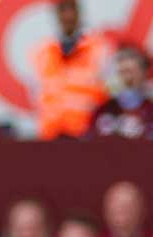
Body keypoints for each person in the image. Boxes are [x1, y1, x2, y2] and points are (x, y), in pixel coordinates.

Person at [30, 0, 112, 140]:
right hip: (51, 134)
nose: (67, 16)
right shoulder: (43, 51)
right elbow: (36, 93)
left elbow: (109, 90)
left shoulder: (98, 48)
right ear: (56, 15)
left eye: (71, 10)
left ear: (79, 13)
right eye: (62, 10)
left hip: (87, 134)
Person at [91, 46, 153, 138]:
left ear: (144, 74)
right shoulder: (104, 110)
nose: (127, 78)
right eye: (122, 72)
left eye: (131, 72)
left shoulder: (149, 111)